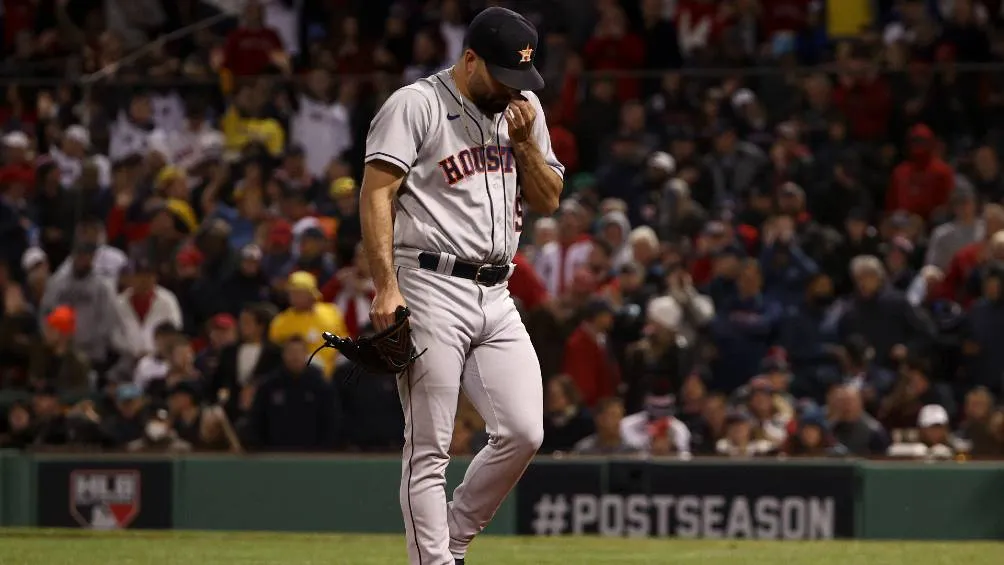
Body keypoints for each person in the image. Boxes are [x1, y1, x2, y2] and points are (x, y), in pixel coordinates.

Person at [359, 7, 563, 565]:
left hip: (497, 293)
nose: (513, 89)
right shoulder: (415, 104)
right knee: (429, 446)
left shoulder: (524, 110)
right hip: (427, 281)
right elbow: (376, 193)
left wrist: (524, 145)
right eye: (503, 74)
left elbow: (547, 199)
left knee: (524, 431)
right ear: (469, 59)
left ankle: (448, 540)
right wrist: (384, 287)